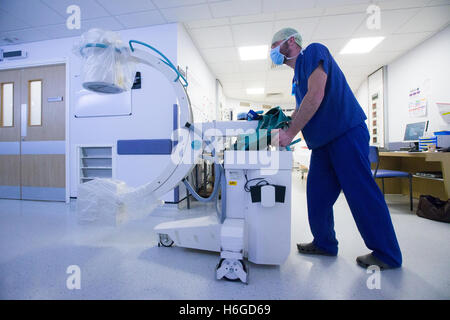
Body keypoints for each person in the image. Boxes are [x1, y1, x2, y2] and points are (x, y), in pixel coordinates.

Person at [270, 28, 402, 269]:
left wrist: (290, 134)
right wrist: (286, 125)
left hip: (345, 134)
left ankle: (387, 253)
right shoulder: (296, 78)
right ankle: (325, 243)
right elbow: (301, 106)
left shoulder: (313, 51)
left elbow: (316, 95)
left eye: (275, 45)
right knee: (317, 196)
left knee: (360, 193)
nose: (272, 51)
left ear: (291, 41)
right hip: (322, 144)